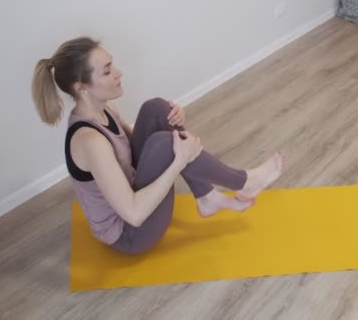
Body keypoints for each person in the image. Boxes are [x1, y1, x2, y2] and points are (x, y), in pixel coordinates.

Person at [31, 37, 284, 254]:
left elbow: (129, 148)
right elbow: (134, 213)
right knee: (166, 146)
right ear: (82, 87)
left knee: (156, 109)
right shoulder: (89, 141)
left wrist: (172, 119)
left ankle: (207, 197)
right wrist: (178, 162)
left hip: (131, 192)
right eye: (107, 71)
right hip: (130, 233)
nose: (119, 73)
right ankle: (244, 182)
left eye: (112, 65)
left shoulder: (103, 109)